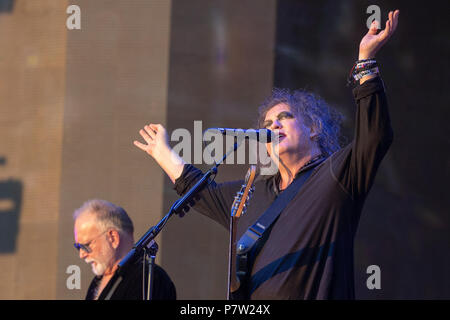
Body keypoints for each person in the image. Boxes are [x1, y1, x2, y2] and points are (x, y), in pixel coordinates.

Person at [133, 11, 400, 299]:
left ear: (313, 128)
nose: (274, 126)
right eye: (268, 124)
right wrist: (163, 153)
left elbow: (375, 136)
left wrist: (366, 62)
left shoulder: (336, 175)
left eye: (284, 117)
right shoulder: (253, 193)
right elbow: (201, 193)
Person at [73, 199, 177, 300]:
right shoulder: (97, 281)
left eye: (86, 245)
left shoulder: (150, 279)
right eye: (78, 247)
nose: (81, 254)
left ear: (112, 238)